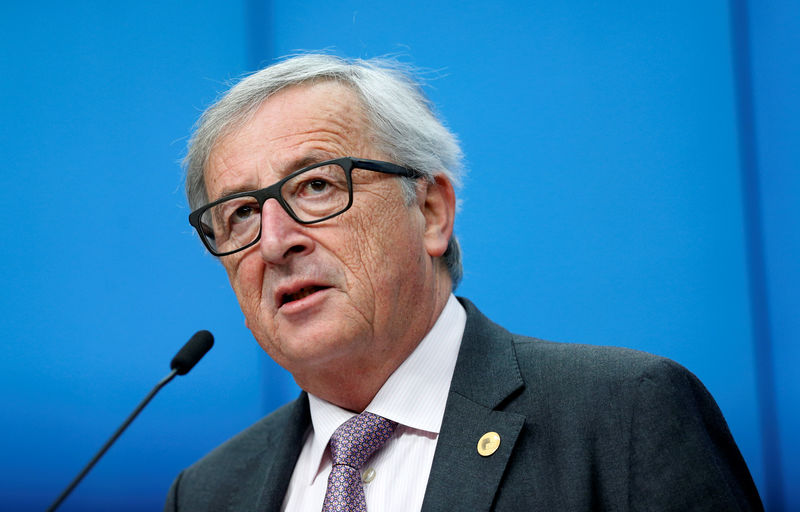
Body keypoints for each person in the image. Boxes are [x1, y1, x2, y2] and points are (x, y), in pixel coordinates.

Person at [165, 54, 763, 511]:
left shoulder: (626, 414)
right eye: (240, 212)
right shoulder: (208, 492)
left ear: (430, 212)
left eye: (316, 185)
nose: (274, 242)